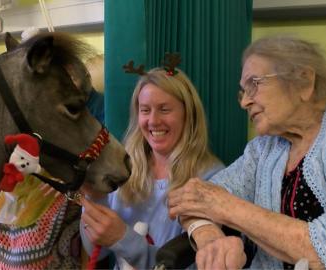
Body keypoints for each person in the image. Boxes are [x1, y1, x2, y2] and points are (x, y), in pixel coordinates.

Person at [167, 35, 326, 269]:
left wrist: (224, 207)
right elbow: (192, 200)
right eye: (242, 91)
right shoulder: (264, 149)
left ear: (304, 81)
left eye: (254, 84)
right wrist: (210, 238)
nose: (244, 102)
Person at [79, 66, 225, 269]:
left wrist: (123, 238)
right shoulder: (122, 169)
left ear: (188, 115)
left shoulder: (212, 177)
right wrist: (96, 199)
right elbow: (96, 249)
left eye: (164, 109)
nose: (153, 121)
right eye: (145, 110)